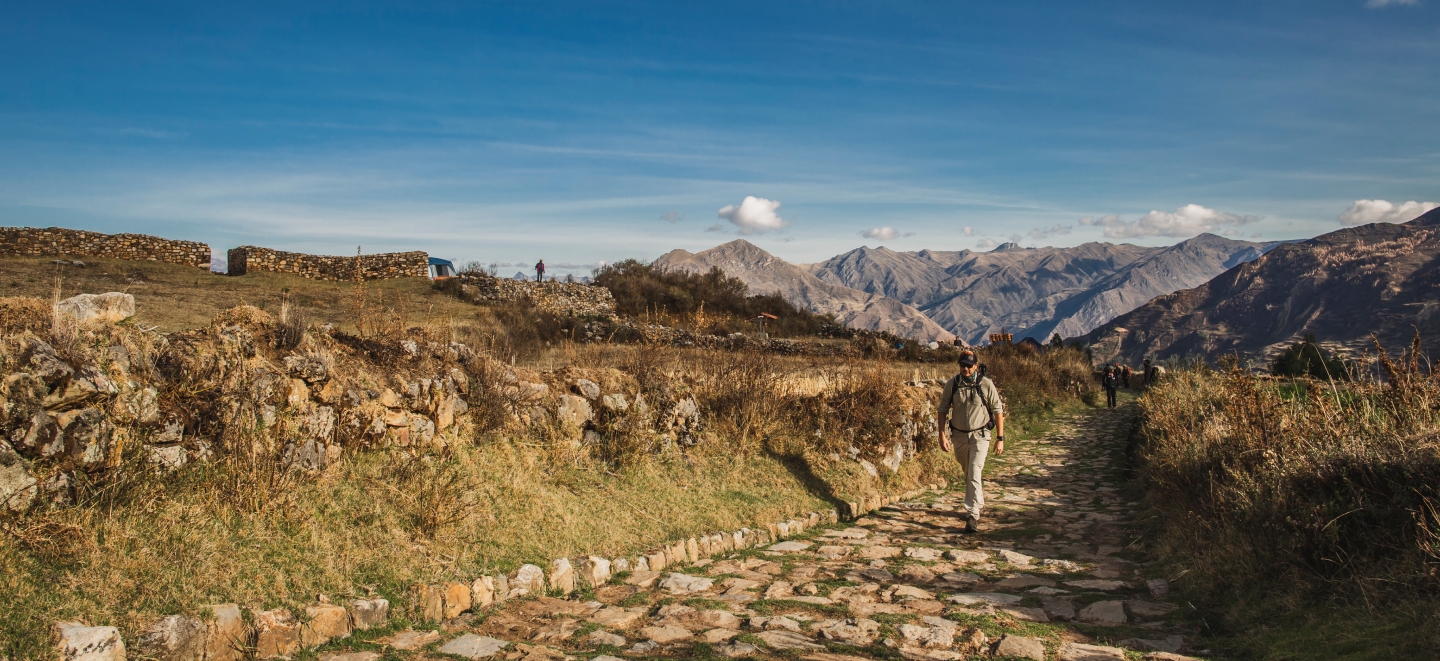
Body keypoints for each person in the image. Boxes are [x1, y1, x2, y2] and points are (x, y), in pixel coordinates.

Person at [938, 350, 1006, 534]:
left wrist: (1000, 438)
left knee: (974, 471)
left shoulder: (986, 384)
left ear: (976, 366)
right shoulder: (952, 385)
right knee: (968, 472)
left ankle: (972, 514)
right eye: (962, 365)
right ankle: (978, 502)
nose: (965, 369)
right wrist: (941, 435)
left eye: (969, 365)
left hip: (980, 436)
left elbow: (998, 411)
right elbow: (942, 409)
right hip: (959, 437)